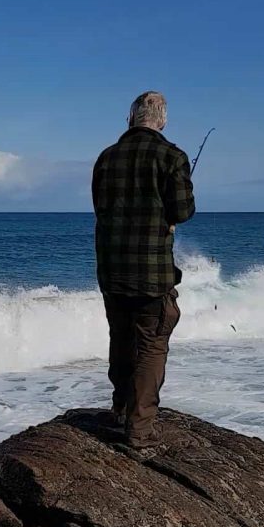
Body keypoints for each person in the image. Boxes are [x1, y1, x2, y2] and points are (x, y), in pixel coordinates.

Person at [92, 91, 196, 448]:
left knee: (120, 340)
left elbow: (101, 207)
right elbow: (181, 211)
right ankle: (138, 432)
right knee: (151, 346)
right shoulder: (172, 156)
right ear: (162, 120)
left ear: (131, 118)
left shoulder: (106, 158)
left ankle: (119, 408)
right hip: (153, 274)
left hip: (112, 269)